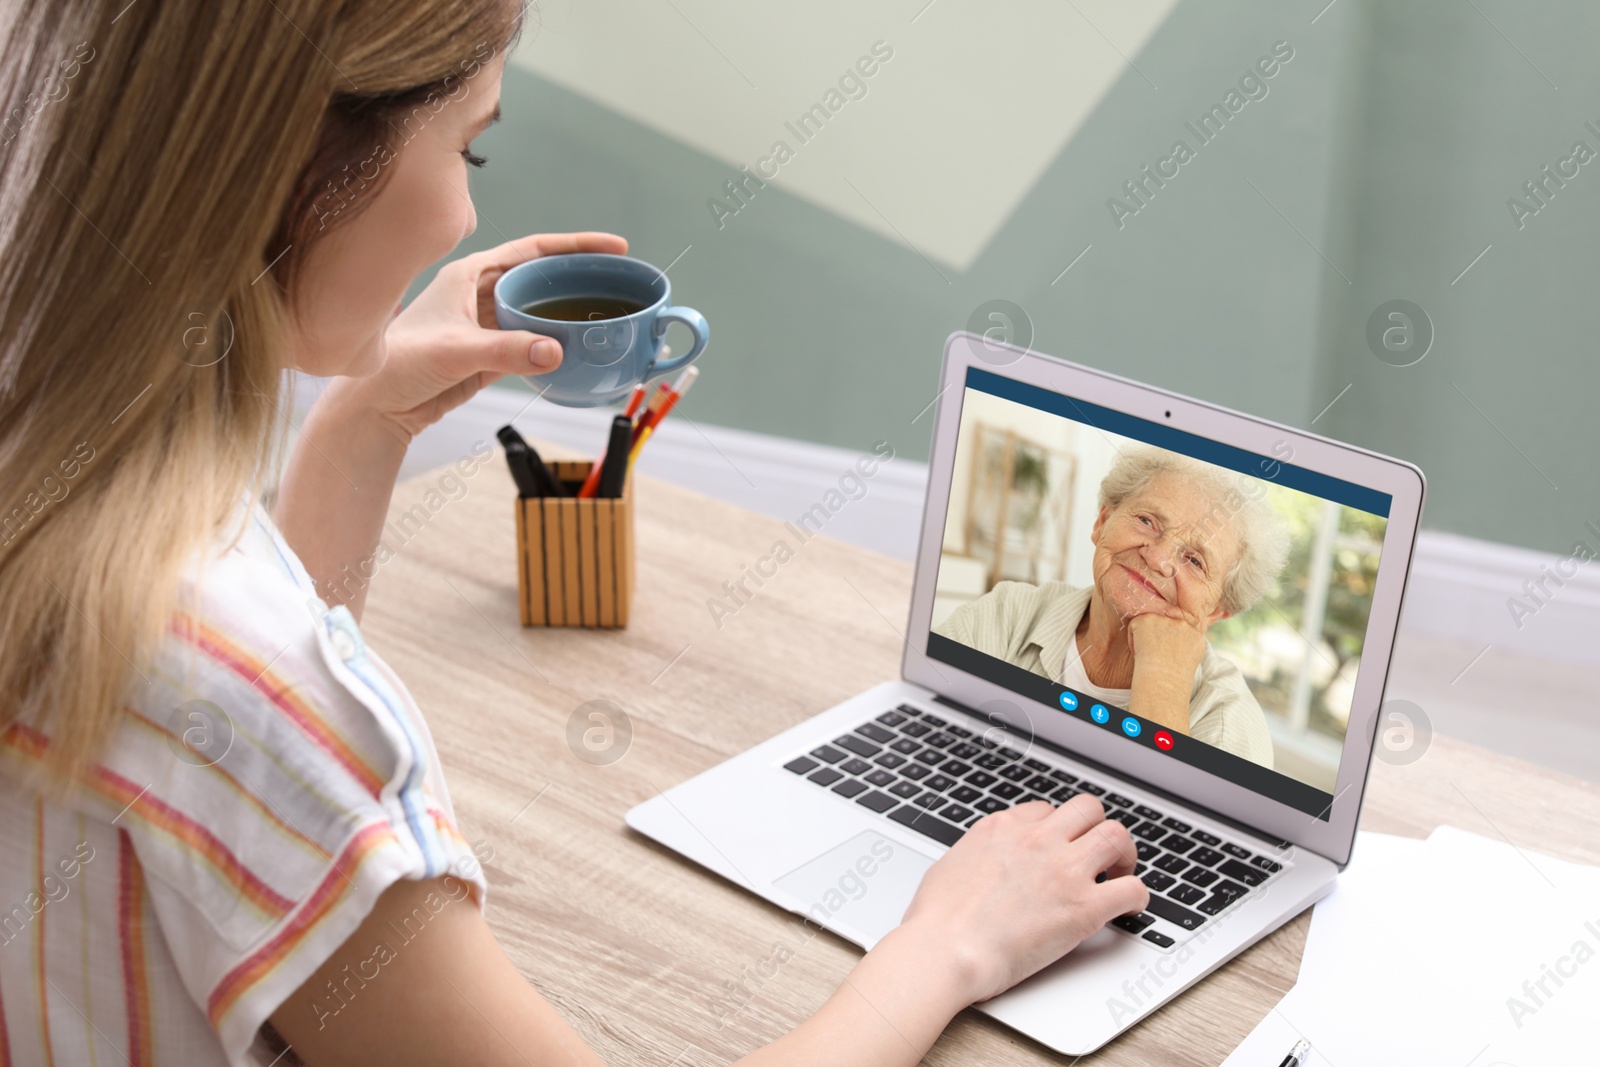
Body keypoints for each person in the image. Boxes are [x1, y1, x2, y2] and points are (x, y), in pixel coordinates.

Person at [0, 2, 1147, 1063]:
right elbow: (261, 735)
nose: (464, 217)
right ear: (307, 164)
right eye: (468, 148)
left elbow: (229, 783)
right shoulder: (257, 692)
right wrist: (947, 944)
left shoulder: (57, 486)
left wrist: (365, 417)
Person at [936, 445, 1289, 767]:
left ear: (1216, 611)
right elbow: (928, 727)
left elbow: (1158, 833)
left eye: (1194, 560)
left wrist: (1162, 678)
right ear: (1102, 521)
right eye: (1147, 521)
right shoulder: (1011, 613)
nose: (1158, 559)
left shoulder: (1229, 723)